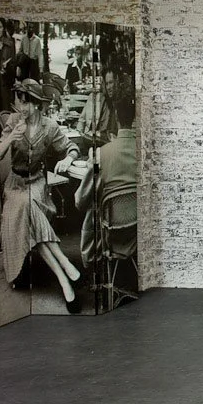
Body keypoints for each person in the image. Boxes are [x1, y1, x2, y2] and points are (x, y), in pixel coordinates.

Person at [0, 78, 83, 313]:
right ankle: (66, 273)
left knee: (30, 207)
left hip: (38, 184)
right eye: (21, 102)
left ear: (38, 105)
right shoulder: (13, 122)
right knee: (27, 206)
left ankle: (65, 281)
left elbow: (72, 148)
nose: (22, 107)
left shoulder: (50, 127)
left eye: (27, 103)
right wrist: (11, 137)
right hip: (15, 185)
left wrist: (68, 158)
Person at [76, 80, 137, 268]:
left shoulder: (102, 154)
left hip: (111, 230)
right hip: (139, 229)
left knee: (92, 204)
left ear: (116, 118)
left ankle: (91, 262)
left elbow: (80, 200)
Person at [78, 67, 118, 147]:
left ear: (117, 82)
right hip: (90, 142)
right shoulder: (94, 97)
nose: (109, 87)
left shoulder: (121, 104)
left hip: (109, 146)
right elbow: (81, 121)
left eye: (111, 83)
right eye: (106, 84)